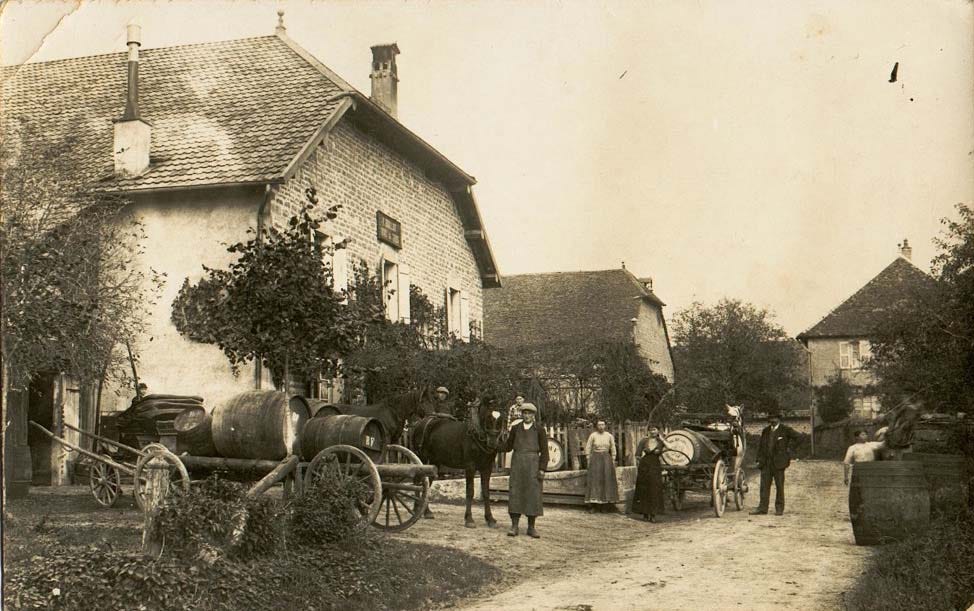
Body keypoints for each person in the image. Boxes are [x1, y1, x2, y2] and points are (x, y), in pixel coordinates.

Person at [497, 402, 548, 538]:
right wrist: (495, 445)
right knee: (516, 492)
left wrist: (542, 468)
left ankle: (531, 527)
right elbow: (508, 446)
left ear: (533, 415)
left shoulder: (539, 430)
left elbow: (545, 451)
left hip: (533, 465)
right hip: (517, 463)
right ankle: (514, 526)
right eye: (524, 413)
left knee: (533, 494)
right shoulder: (516, 428)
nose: (527, 416)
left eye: (529, 413)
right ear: (521, 414)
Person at [751, 410, 800, 516]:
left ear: (779, 419)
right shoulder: (765, 431)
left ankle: (779, 509)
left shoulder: (785, 430)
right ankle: (762, 508)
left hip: (779, 463)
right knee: (764, 486)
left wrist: (790, 450)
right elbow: (761, 446)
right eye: (770, 418)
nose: (772, 420)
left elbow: (799, 438)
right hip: (766, 463)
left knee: (779, 486)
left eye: (774, 418)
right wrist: (759, 460)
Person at [630, 426, 674, 522]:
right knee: (644, 488)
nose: (653, 431)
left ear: (658, 431)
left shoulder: (660, 442)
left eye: (654, 430)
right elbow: (637, 454)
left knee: (654, 488)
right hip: (644, 466)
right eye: (651, 430)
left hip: (655, 466)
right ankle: (645, 513)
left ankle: (653, 514)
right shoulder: (644, 441)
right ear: (649, 431)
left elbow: (670, 447)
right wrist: (640, 462)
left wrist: (662, 438)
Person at [584, 421, 619, 512]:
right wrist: (588, 458)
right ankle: (594, 506)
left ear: (605, 426)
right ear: (596, 426)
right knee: (595, 480)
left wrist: (613, 458)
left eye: (602, 425)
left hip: (606, 459)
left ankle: (605, 505)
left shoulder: (609, 436)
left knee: (606, 479)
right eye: (599, 425)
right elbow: (588, 447)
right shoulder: (593, 435)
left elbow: (613, 447)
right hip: (595, 458)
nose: (601, 426)